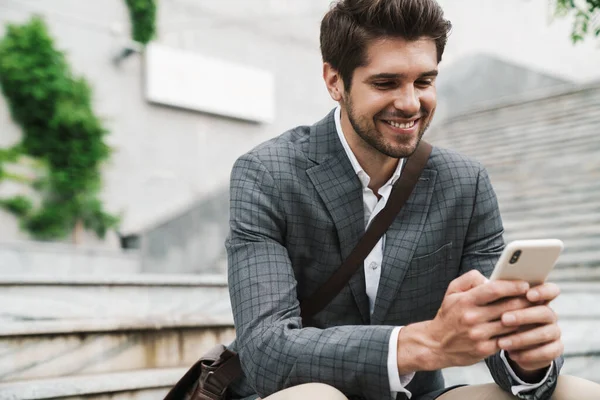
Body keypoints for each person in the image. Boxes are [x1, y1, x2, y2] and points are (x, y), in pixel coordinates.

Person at [224, 0, 600, 399]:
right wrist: (426, 343)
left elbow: (510, 356)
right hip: (302, 392)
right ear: (335, 81)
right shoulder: (266, 174)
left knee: (574, 392)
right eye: (386, 83)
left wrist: (528, 356)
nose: (410, 103)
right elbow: (266, 353)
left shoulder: (464, 183)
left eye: (424, 82)